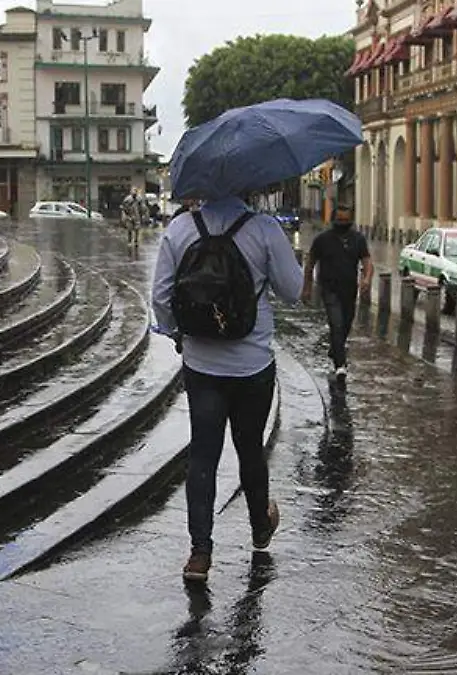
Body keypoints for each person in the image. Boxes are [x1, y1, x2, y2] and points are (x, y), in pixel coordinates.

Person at [151, 195, 303, 582]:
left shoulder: (181, 228)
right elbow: (293, 290)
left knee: (203, 454)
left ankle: (200, 553)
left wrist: (177, 334)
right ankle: (259, 527)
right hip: (253, 364)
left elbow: (160, 297)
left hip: (201, 365)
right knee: (250, 448)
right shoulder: (265, 228)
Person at [301, 206, 373, 380]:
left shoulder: (358, 239)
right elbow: (310, 263)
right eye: (339, 220)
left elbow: (367, 262)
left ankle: (335, 349)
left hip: (349, 290)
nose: (343, 223)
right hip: (328, 289)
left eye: (346, 220)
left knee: (346, 324)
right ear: (333, 220)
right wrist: (307, 287)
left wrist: (366, 279)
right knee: (337, 324)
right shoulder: (322, 240)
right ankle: (340, 364)